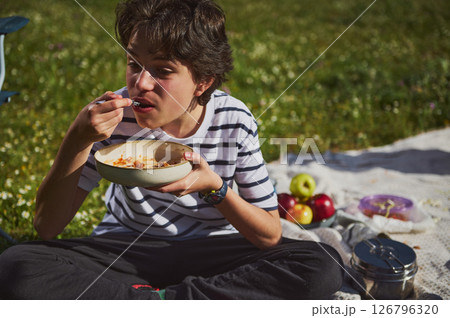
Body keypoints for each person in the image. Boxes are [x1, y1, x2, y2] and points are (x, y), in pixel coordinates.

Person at [0, 0, 343, 299]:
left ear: (203, 82)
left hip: (215, 251)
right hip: (124, 249)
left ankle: (147, 303)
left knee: (321, 264)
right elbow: (47, 227)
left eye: (162, 71)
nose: (141, 83)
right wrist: (77, 138)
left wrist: (215, 188)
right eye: (134, 63)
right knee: (17, 266)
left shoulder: (234, 120)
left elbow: (269, 235)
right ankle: (179, 304)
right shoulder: (112, 119)